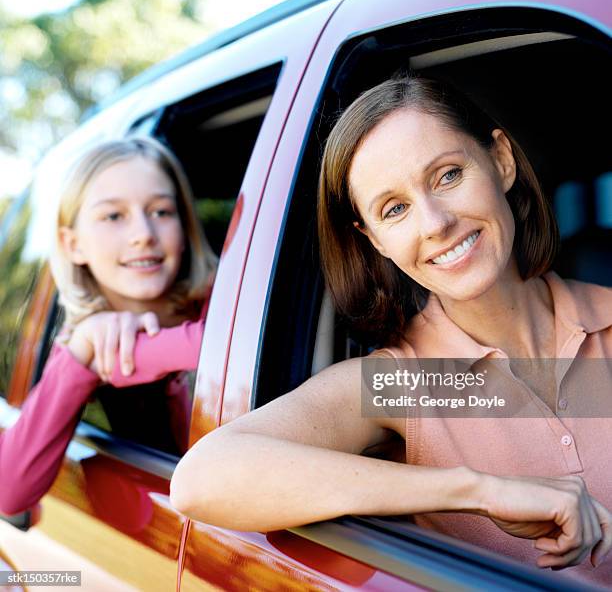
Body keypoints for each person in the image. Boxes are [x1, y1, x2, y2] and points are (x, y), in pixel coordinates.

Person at [168, 76, 612, 585]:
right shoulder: (401, 383)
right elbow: (203, 478)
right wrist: (479, 490)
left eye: (448, 175)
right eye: (394, 209)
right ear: (374, 239)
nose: (435, 222)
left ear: (501, 161)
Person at [0, 137, 216, 515]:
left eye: (162, 211)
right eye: (114, 216)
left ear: (184, 227)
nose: (143, 233)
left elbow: (257, 348)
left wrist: (138, 352)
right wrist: (80, 353)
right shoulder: (81, 345)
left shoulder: (235, 300)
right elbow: (9, 494)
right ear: (72, 245)